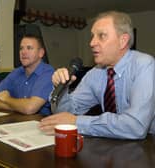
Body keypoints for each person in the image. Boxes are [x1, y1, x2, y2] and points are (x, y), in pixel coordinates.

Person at [39, 11, 155, 139]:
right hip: (114, 145)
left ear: (123, 41)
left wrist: (77, 122)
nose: (92, 43)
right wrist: (62, 89)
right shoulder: (95, 74)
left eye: (101, 36)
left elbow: (136, 127)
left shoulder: (144, 65)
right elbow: (67, 113)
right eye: (92, 36)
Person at [0, 34, 54, 115]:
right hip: (17, 122)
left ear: (41, 53)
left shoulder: (48, 73)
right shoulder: (16, 72)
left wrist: (7, 99)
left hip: (39, 124)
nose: (24, 52)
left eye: (29, 48)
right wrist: (19, 107)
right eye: (21, 48)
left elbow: (30, 108)